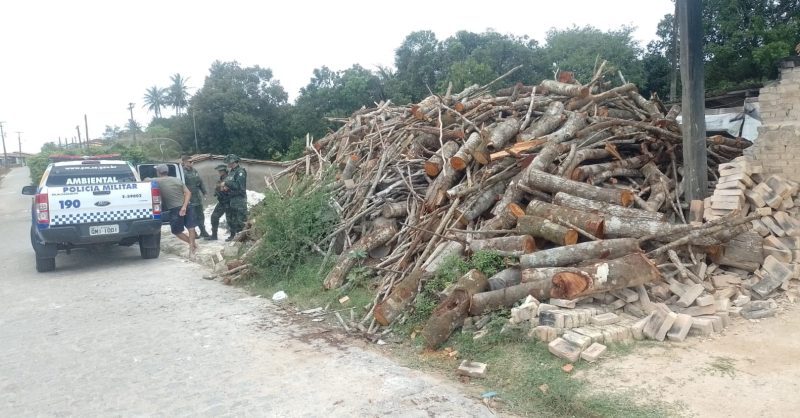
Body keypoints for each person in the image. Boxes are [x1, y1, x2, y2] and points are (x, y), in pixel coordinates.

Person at [151, 164, 197, 253]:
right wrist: (184, 206)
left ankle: (193, 245)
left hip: (175, 209)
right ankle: (192, 247)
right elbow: (188, 193)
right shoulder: (177, 180)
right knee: (191, 228)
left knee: (176, 231)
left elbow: (145, 180)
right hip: (188, 206)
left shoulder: (157, 181)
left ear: (158, 172)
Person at [181, 155, 209, 238]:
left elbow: (200, 182)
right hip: (188, 199)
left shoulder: (194, 170)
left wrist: (204, 192)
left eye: (193, 161)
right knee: (191, 216)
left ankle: (203, 231)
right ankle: (194, 233)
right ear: (185, 162)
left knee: (200, 215)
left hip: (197, 197)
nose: (192, 163)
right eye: (190, 161)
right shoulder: (182, 172)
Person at [222, 154, 247, 241]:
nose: (227, 164)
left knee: (241, 220)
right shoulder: (231, 171)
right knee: (233, 219)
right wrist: (225, 187)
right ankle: (234, 236)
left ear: (233, 162)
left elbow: (239, 186)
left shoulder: (240, 172)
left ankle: (243, 239)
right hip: (232, 199)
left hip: (239, 200)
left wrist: (227, 184)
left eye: (228, 162)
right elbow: (229, 182)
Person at [204, 164, 231, 241]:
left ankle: (234, 235)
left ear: (225, 171)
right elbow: (219, 188)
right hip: (222, 202)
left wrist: (220, 187)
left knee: (230, 220)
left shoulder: (229, 178)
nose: (219, 172)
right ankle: (214, 235)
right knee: (214, 217)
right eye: (219, 171)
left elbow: (226, 188)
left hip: (229, 202)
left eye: (221, 171)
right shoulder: (221, 179)